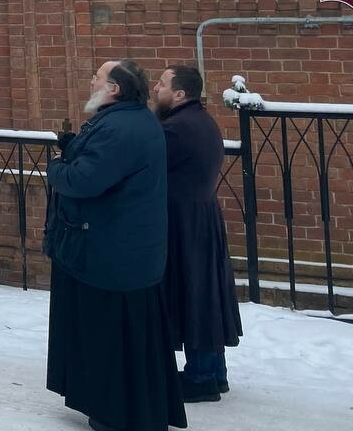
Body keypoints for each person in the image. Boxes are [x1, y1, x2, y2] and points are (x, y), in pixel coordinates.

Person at [44, 59, 187, 431]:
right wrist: (76, 147)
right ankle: (124, 408)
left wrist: (56, 166)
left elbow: (85, 180)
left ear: (114, 89)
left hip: (111, 253)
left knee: (111, 339)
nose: (92, 81)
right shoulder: (130, 120)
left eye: (99, 77)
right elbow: (106, 163)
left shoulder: (121, 126)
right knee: (123, 339)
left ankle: (117, 413)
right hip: (123, 249)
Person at [152, 64, 243, 403]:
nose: (155, 89)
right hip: (201, 219)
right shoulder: (201, 121)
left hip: (185, 223)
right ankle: (212, 372)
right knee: (204, 294)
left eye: (161, 83)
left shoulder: (177, 128)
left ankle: (203, 376)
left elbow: (142, 161)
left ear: (179, 93)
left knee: (194, 294)